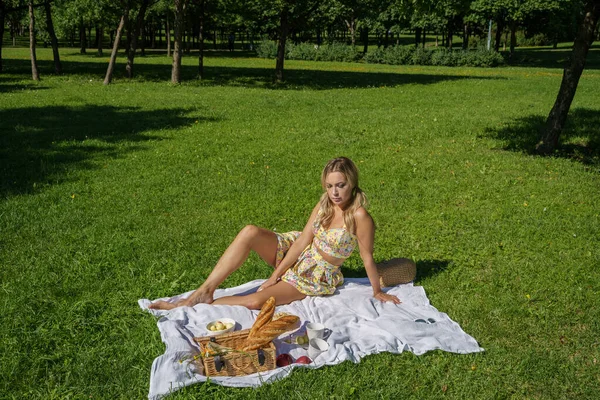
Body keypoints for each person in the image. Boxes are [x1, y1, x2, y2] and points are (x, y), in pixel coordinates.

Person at [149, 157, 400, 310]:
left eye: (341, 185)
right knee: (249, 232)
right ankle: (204, 291)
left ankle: (207, 304)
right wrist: (275, 275)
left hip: (314, 273)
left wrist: (376, 291)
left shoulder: (360, 217)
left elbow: (367, 258)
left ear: (352, 182)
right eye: (330, 186)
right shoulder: (325, 203)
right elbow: (303, 240)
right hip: (296, 252)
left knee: (255, 302)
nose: (334, 192)